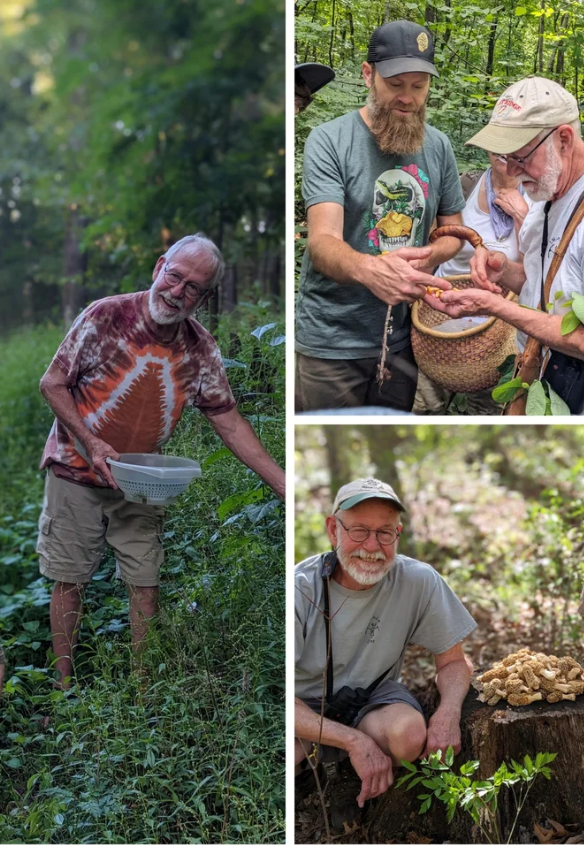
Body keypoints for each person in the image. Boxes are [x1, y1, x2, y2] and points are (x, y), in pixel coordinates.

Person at [38, 233, 285, 689]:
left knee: (145, 584)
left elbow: (229, 423)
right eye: (175, 276)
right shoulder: (105, 316)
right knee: (70, 580)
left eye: (193, 288)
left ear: (205, 298)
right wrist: (92, 443)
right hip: (76, 470)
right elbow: (52, 383)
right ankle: (62, 687)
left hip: (141, 481)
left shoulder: (200, 348)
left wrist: (283, 483)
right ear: (158, 268)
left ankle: (141, 690)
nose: (177, 292)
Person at [295, 20, 466, 413]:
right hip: (332, 344)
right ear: (368, 75)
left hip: (403, 340)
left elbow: (453, 231)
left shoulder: (438, 146)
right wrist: (374, 270)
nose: (407, 98)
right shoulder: (331, 140)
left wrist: (426, 257)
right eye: (396, 84)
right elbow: (322, 242)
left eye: (418, 86)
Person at [295, 477, 476, 827]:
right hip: (306, 705)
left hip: (371, 698)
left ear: (398, 534)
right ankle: (319, 771)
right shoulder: (301, 589)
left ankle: (352, 782)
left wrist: (449, 712)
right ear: (333, 530)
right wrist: (353, 740)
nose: (372, 546)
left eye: (385, 532)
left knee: (409, 736)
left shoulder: (418, 580)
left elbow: (453, 661)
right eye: (359, 531)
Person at [425, 76, 584, 414]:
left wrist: (497, 307)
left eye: (521, 157)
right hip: (539, 379)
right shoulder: (545, 198)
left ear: (564, 140)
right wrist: (503, 270)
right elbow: (547, 288)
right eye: (504, 156)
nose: (511, 169)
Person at [413, 152, 531, 414]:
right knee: (424, 407)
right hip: (440, 317)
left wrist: (523, 217)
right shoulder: (465, 186)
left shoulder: (538, 195)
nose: (504, 153)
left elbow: (535, 275)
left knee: (488, 411)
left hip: (499, 333)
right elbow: (435, 242)